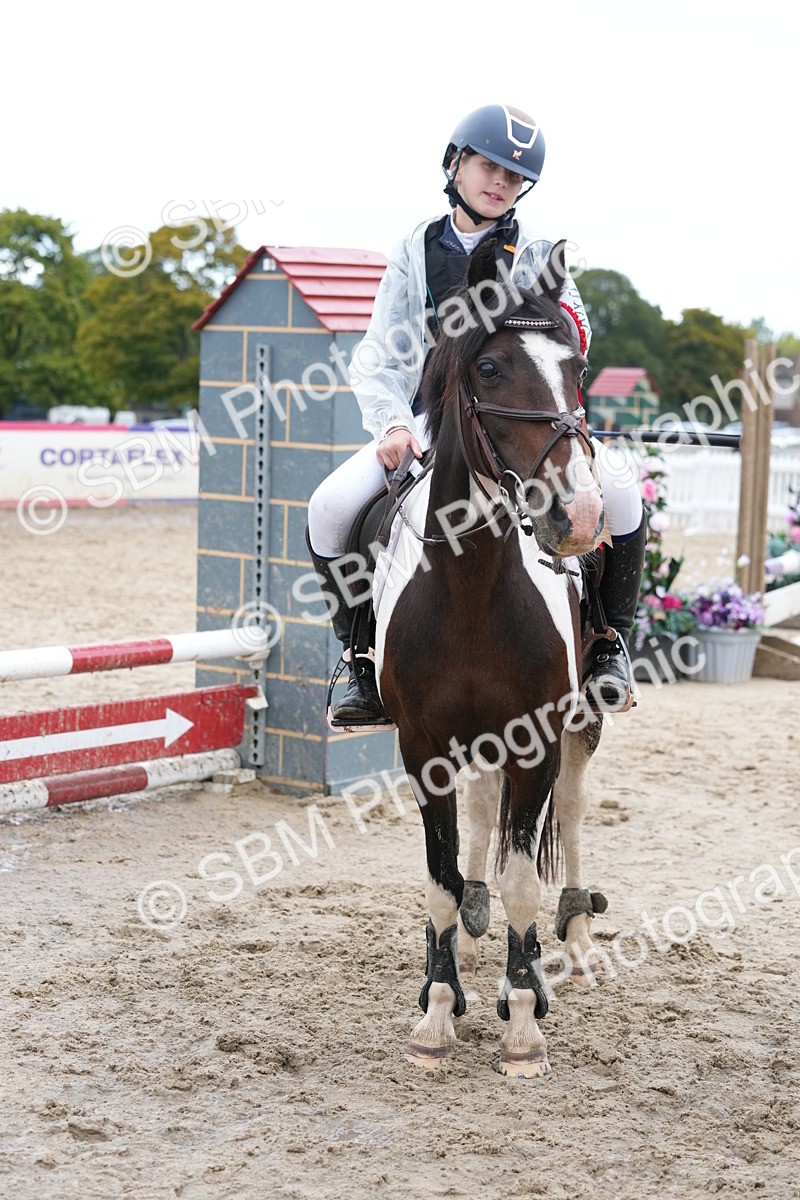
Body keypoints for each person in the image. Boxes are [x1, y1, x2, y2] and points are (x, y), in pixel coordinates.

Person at [307, 104, 645, 726]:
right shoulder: (416, 249)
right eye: (489, 166)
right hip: (433, 422)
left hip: (524, 420)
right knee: (328, 508)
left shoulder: (539, 252)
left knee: (622, 499)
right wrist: (391, 425)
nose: (499, 182)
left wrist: (545, 321)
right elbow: (380, 352)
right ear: (456, 165)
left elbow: (575, 335)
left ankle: (607, 645)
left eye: (514, 177)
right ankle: (358, 659)